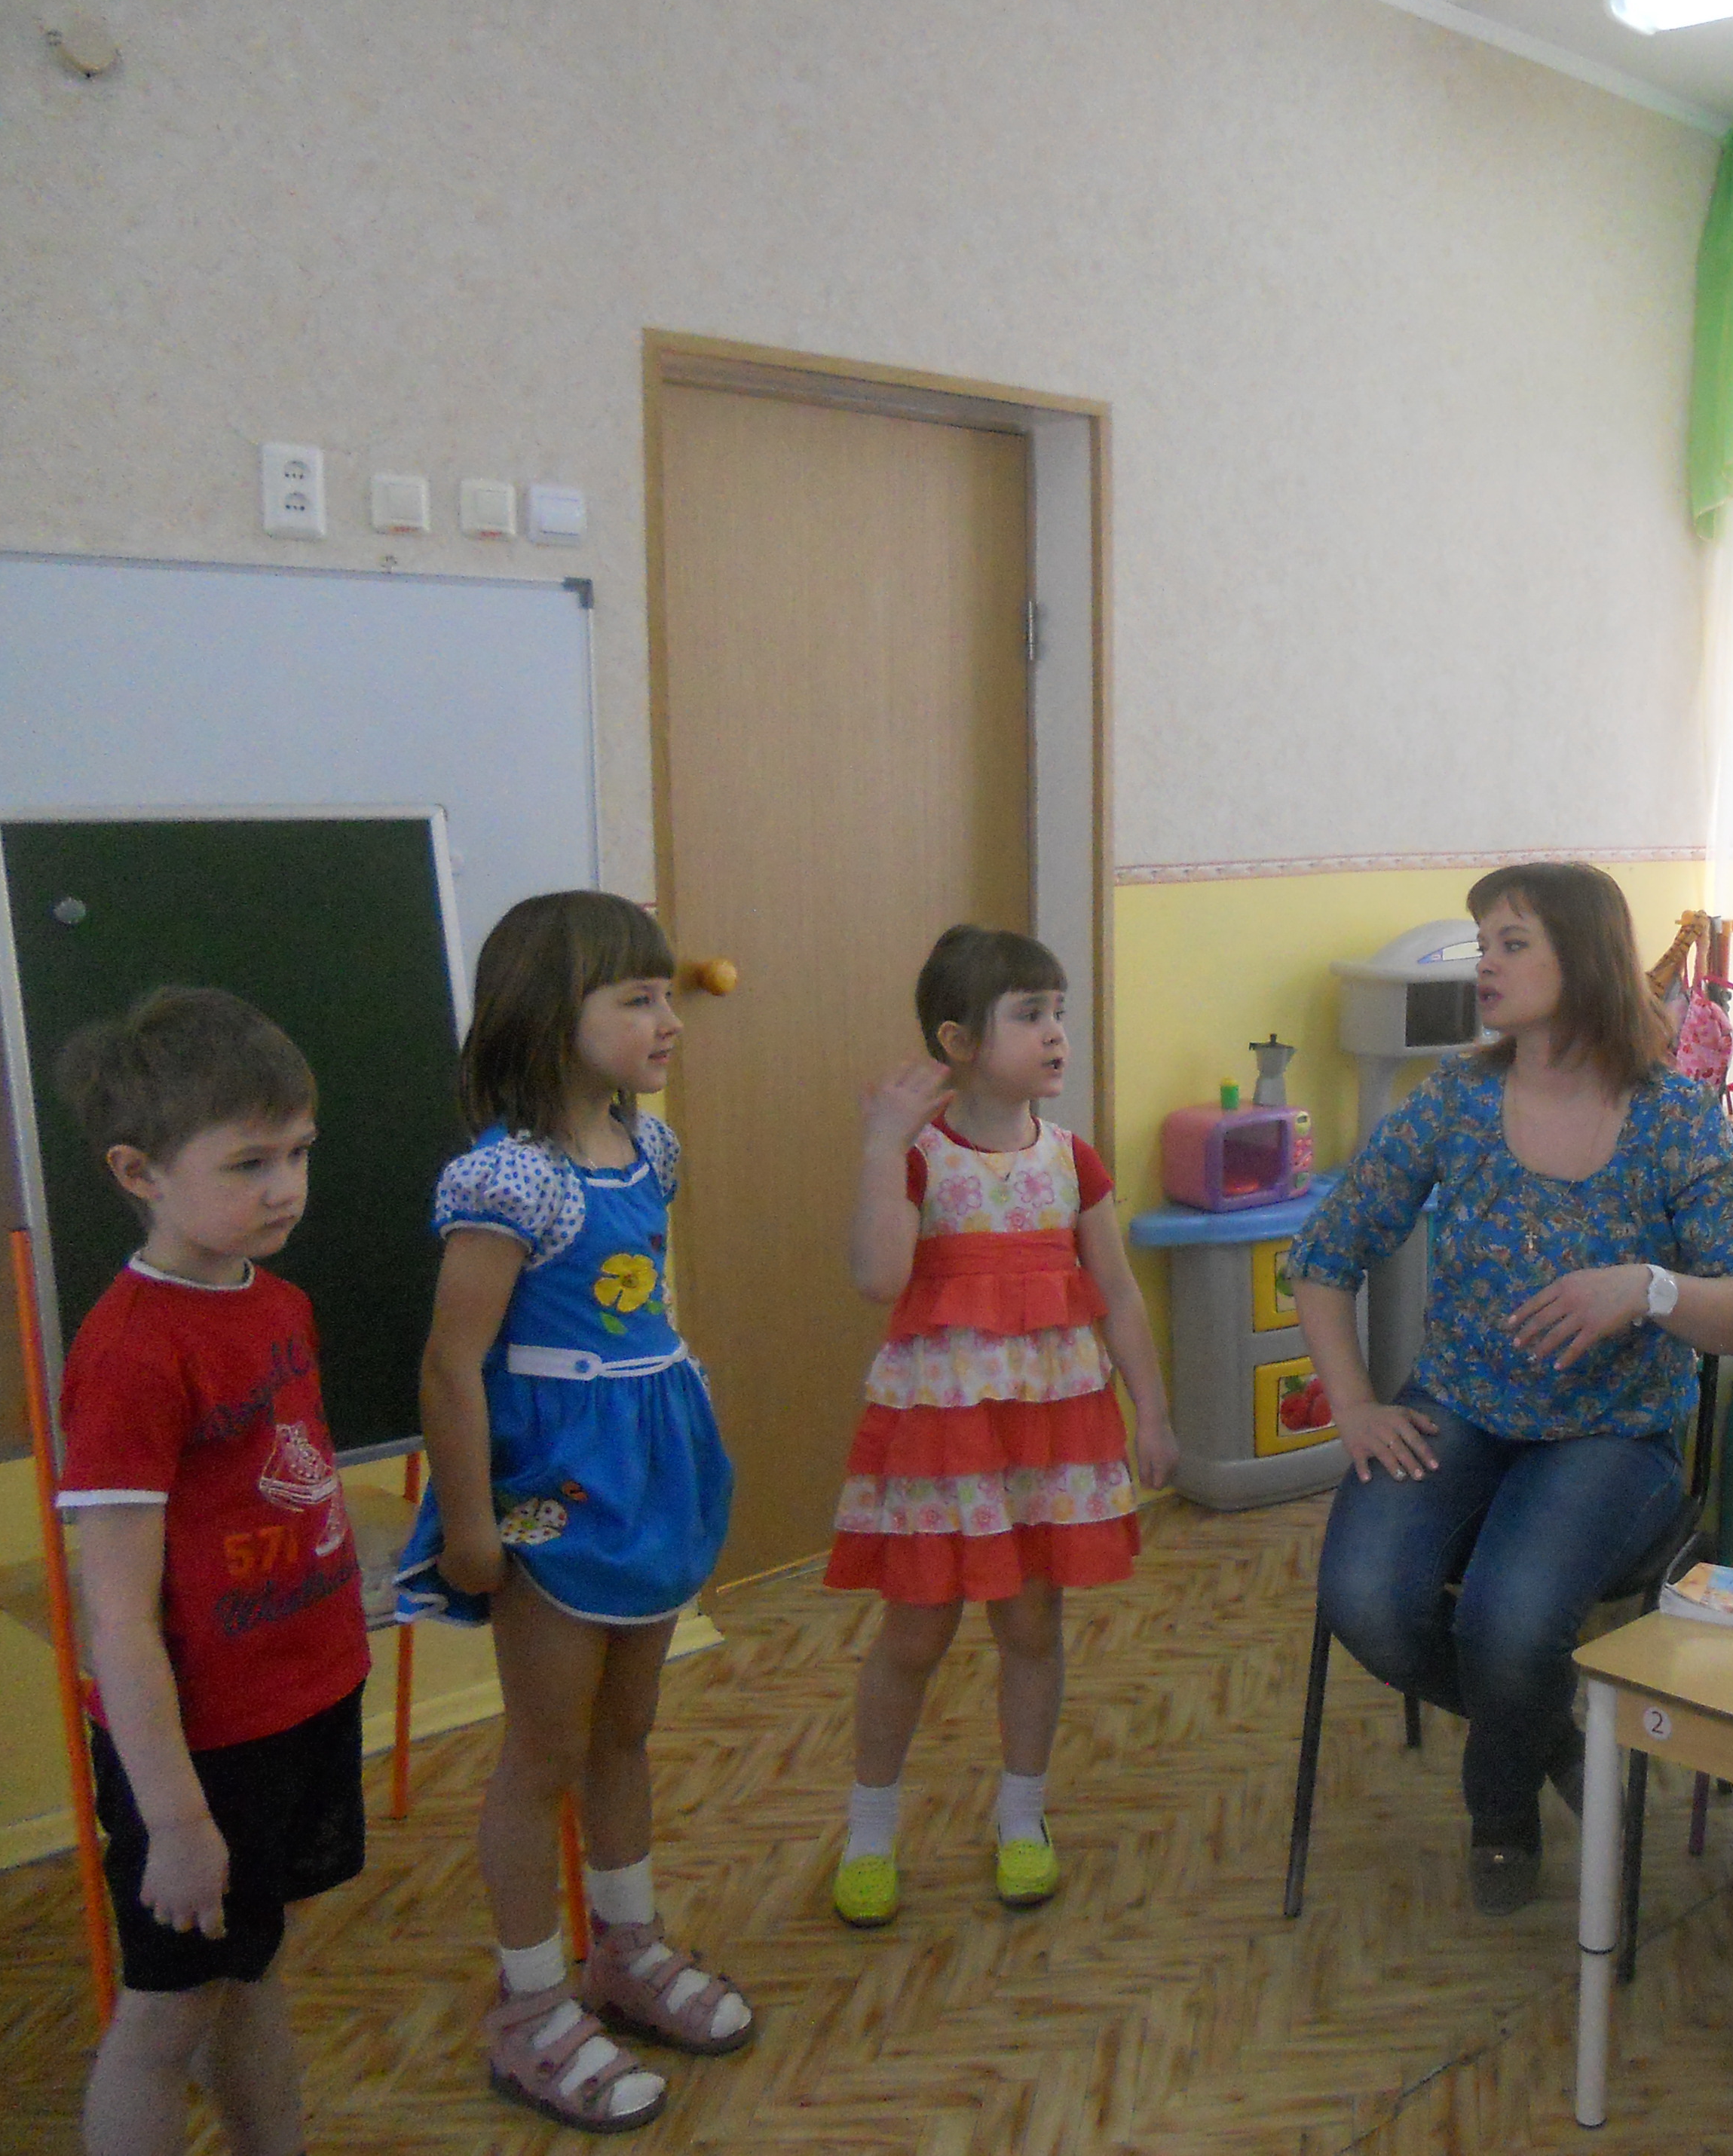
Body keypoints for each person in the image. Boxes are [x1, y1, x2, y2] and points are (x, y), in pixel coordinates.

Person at [1291, 862, 1733, 1914]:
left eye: (1512, 943)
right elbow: (1324, 1255)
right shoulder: (1456, 1101)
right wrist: (1354, 1405)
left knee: (1511, 1623)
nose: (1487, 965)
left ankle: (1501, 1814)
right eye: (1484, 945)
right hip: (1457, 1409)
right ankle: (1553, 1735)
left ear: (1586, 957)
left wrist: (1648, 1288)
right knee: (1365, 1601)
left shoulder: (1673, 1118)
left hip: (1614, 1436)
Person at [396, 892, 747, 2133]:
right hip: (553, 1489)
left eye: (666, 995)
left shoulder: (651, 1151)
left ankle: (625, 1950)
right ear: (554, 1018)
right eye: (636, 999)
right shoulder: (507, 1181)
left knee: (626, 1731)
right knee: (544, 1750)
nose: (669, 1020)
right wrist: (471, 1525)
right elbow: (452, 1366)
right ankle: (531, 2007)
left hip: (649, 1469)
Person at [53, 990, 369, 2156]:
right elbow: (117, 1622)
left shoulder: (279, 1303)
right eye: (248, 1162)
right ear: (138, 1172)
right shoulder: (131, 1354)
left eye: (298, 1153)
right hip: (196, 1755)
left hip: (300, 1710)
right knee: (164, 2013)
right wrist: (178, 1821)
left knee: (253, 1970)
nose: (286, 1187)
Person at [825, 926, 1178, 1926]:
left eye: (1058, 1011)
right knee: (915, 1633)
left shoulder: (1073, 1160)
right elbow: (877, 1277)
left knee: (1031, 1626)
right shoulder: (919, 1158)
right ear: (959, 1041)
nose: (1057, 1033)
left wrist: (1151, 1411)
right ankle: (869, 1834)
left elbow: (1118, 1296)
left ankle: (1022, 1818)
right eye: (1030, 1016)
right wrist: (879, 1147)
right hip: (946, 1441)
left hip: (1048, 1437)